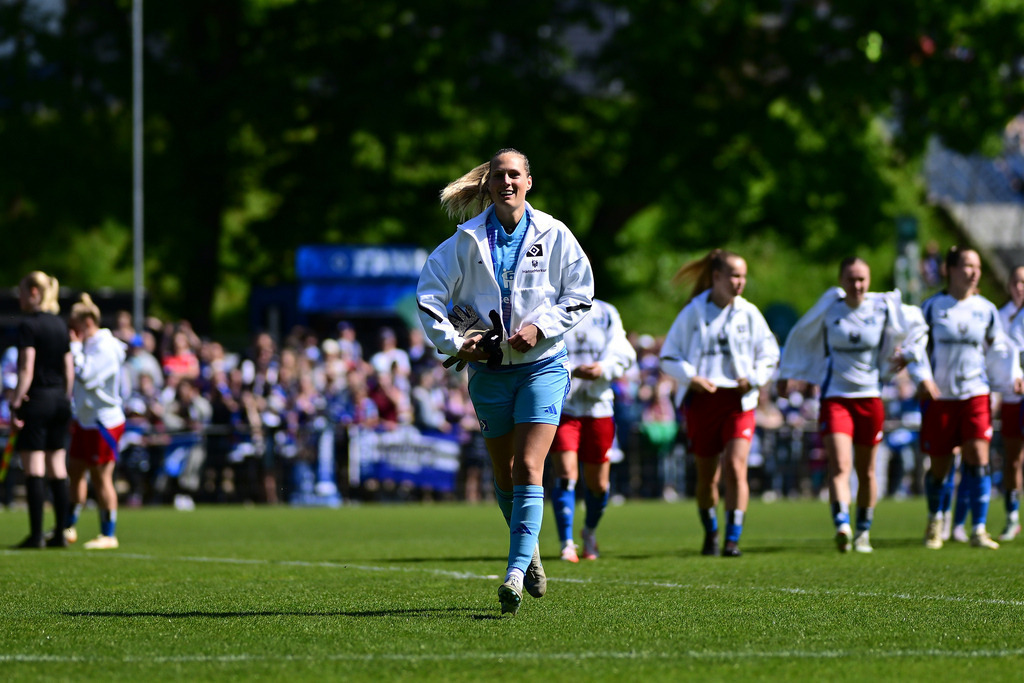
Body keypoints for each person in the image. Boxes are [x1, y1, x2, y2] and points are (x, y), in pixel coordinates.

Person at [417, 148, 594, 615]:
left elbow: (581, 293)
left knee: (528, 468)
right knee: (503, 472)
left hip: (544, 366)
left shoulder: (555, 234)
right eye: (499, 175)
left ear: (529, 182)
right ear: (488, 184)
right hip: (489, 374)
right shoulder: (464, 240)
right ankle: (528, 545)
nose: (507, 182)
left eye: (515, 175)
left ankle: (515, 572)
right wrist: (457, 342)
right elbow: (429, 297)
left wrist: (542, 328)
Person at [776, 258, 927, 553]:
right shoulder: (829, 308)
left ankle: (864, 531)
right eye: (851, 279)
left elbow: (919, 325)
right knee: (840, 465)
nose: (857, 285)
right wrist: (788, 373)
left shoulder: (883, 308)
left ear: (869, 281)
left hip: (870, 398)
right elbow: (801, 335)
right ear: (841, 280)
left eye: (862, 279)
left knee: (867, 469)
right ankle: (842, 524)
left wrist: (908, 353)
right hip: (836, 399)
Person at [659, 249, 779, 557]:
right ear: (716, 277)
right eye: (734, 276)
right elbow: (668, 356)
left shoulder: (749, 313)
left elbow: (769, 353)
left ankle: (733, 538)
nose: (740, 282)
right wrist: (691, 377)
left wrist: (753, 377)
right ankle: (711, 532)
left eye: (743, 276)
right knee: (706, 476)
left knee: (737, 468)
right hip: (703, 401)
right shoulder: (693, 312)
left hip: (738, 402)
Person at [907, 246, 1022, 550]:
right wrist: (923, 377)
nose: (973, 272)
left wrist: (1013, 374)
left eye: (978, 267)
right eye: (968, 266)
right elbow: (914, 346)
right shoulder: (932, 307)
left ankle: (979, 528)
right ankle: (935, 520)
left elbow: (1001, 347)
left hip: (975, 393)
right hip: (940, 397)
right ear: (950, 270)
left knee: (978, 455)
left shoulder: (986, 310)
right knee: (940, 467)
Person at [550, 298, 635, 562]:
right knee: (566, 474)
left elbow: (624, 353)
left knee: (598, 484)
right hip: (563, 405)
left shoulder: (607, 311)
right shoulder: (550, 308)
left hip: (599, 407)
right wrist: (573, 371)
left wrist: (603, 368)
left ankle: (589, 531)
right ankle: (566, 543)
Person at [9, 271, 73, 549]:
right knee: (58, 467)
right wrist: (64, 397)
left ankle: (36, 536)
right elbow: (69, 370)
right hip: (60, 400)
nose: (20, 298)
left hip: (37, 400)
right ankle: (60, 533)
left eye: (22, 292)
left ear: (34, 292)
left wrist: (15, 401)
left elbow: (26, 369)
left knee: (34, 467)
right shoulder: (61, 325)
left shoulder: (29, 325)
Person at [63, 293, 127, 549]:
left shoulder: (105, 346)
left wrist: (75, 348)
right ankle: (68, 527)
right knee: (75, 471)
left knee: (101, 477)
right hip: (85, 420)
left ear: (88, 321)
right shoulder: (90, 344)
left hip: (104, 422)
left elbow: (87, 377)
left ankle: (108, 533)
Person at [998, 265, 1024, 540]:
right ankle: (1012, 517)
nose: (1020, 287)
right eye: (1016, 282)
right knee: (1013, 459)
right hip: (1012, 396)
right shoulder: (1000, 316)